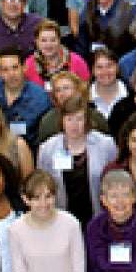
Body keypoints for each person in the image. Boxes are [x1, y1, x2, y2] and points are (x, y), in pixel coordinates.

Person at [37, 94, 118, 227]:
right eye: (69, 119)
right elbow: (42, 186)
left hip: (98, 216)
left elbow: (114, 181)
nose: (74, 125)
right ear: (61, 121)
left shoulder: (106, 144)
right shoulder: (47, 149)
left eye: (79, 119)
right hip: (61, 218)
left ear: (87, 120)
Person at [0, 47, 53, 149]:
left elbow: (46, 137)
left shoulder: (40, 98)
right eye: (5, 70)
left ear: (24, 67)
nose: (11, 74)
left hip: (28, 150)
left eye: (15, 68)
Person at [37, 70, 109, 144]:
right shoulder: (48, 121)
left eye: (66, 88)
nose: (62, 93)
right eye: (58, 90)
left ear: (78, 90)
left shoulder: (95, 117)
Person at [23, 19, 90, 90]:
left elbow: (85, 89)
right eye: (43, 40)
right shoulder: (28, 64)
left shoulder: (77, 61)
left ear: (59, 40)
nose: (48, 45)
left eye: (53, 40)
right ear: (36, 42)